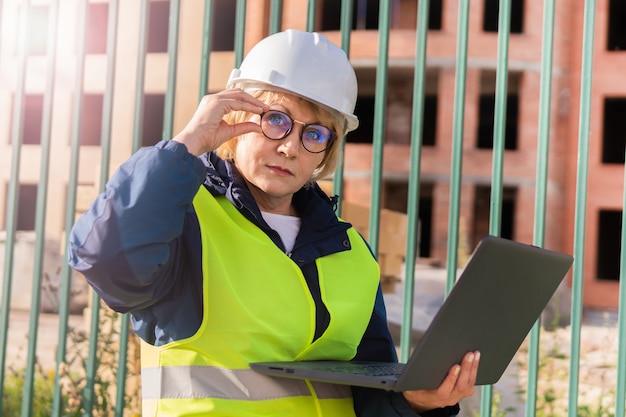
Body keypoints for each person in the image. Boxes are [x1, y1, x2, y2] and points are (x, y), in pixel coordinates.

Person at [68, 29, 479, 416]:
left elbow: (369, 396)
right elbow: (106, 258)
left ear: (326, 152)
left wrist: (417, 403)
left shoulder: (352, 254)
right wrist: (187, 143)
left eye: (314, 134)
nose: (288, 148)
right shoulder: (185, 222)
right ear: (234, 117)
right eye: (276, 120)